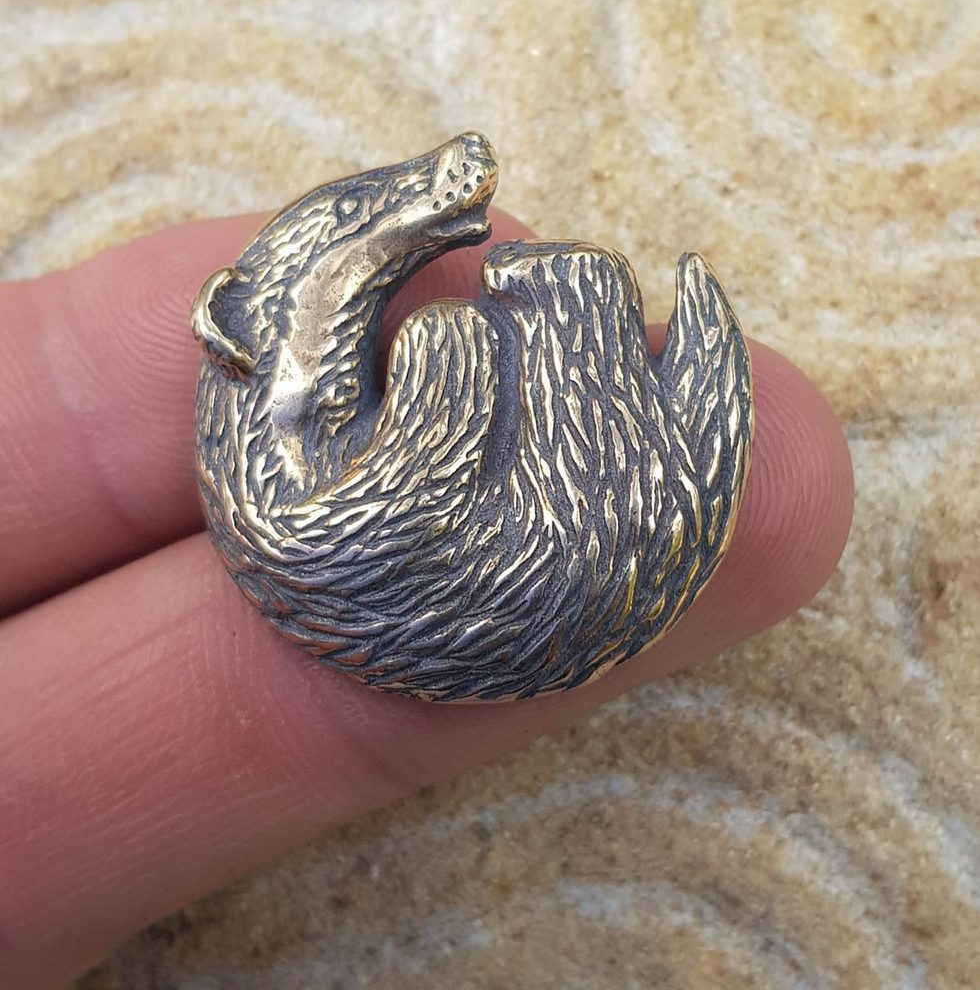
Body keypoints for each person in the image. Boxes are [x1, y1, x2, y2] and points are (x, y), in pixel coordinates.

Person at [0, 208, 853, 988]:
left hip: (541, 544)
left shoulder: (300, 501)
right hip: (542, 543)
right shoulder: (313, 517)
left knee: (458, 344)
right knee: (462, 342)